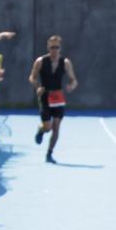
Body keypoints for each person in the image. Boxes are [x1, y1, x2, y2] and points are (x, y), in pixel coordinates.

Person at [28, 35, 78, 163]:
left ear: (60, 48)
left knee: (56, 126)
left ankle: (49, 153)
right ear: (48, 47)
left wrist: (71, 85)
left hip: (58, 97)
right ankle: (41, 129)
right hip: (45, 95)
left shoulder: (65, 63)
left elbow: (73, 79)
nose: (54, 50)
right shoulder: (40, 61)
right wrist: (37, 87)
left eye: (56, 47)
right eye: (52, 47)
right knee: (48, 126)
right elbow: (32, 77)